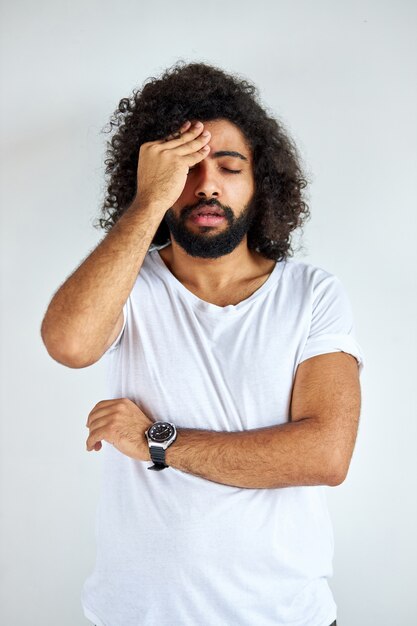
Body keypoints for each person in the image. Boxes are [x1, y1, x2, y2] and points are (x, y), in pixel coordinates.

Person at [41, 61, 363, 626]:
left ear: (260, 183)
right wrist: (147, 205)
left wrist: (157, 442)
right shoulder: (129, 286)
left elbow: (325, 454)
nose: (207, 184)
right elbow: (69, 344)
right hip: (135, 615)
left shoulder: (311, 293)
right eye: (186, 168)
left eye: (229, 166)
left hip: (284, 616)